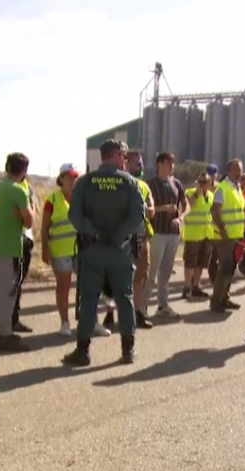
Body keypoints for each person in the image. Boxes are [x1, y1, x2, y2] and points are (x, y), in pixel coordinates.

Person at [62, 139, 145, 367]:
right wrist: (119, 236)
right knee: (124, 298)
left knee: (88, 299)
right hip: (120, 251)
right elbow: (138, 215)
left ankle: (83, 352)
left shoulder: (85, 182)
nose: (126, 160)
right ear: (116, 155)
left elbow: (75, 216)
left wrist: (96, 234)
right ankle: (128, 351)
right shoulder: (129, 183)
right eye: (124, 155)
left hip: (92, 251)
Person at [0, 167, 38, 337]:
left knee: (14, 284)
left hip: (21, 241)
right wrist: (27, 210)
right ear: (24, 169)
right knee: (5, 287)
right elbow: (29, 219)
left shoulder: (23, 187)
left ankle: (12, 320)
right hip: (11, 243)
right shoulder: (12, 189)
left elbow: (31, 214)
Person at [144, 151, 188, 318]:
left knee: (167, 271)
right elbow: (146, 210)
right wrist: (163, 208)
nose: (171, 166)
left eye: (173, 163)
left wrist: (181, 217)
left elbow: (186, 205)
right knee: (152, 271)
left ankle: (162, 305)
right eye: (168, 163)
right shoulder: (150, 185)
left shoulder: (176, 183)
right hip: (157, 233)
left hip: (173, 233)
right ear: (159, 164)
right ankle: (143, 306)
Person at [41, 164, 79, 336]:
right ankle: (64, 323)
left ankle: (89, 321)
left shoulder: (81, 197)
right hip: (60, 250)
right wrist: (45, 249)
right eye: (69, 177)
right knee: (64, 287)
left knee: (88, 286)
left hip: (81, 250)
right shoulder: (53, 200)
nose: (72, 180)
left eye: (75, 177)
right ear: (61, 178)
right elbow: (44, 228)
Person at [209, 159, 245, 313]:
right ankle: (216, 301)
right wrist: (223, 230)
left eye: (240, 169)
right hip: (225, 236)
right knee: (224, 268)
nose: (238, 173)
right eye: (235, 170)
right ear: (229, 170)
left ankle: (224, 298)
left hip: (236, 235)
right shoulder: (223, 187)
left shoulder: (237, 188)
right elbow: (216, 211)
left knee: (231, 268)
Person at [125, 150, 155, 329]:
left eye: (141, 162)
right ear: (127, 163)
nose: (141, 166)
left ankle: (139, 313)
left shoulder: (144, 186)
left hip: (142, 237)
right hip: (123, 238)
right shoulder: (121, 182)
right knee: (118, 277)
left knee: (141, 275)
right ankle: (112, 312)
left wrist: (144, 207)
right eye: (137, 163)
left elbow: (152, 210)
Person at [182, 173, 214, 300]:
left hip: (207, 233)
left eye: (204, 182)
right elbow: (190, 205)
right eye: (199, 181)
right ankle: (186, 287)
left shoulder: (211, 196)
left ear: (209, 183)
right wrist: (197, 193)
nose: (201, 184)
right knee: (190, 262)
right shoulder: (190, 192)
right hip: (193, 234)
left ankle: (196, 286)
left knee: (201, 262)